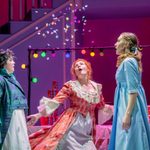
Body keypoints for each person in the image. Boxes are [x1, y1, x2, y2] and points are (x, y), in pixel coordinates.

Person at [27, 58, 113, 150]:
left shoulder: (96, 87)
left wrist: (120, 110)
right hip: (71, 123)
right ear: (75, 73)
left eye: (81, 64)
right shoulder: (71, 85)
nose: (79, 66)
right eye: (76, 66)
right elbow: (56, 101)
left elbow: (102, 106)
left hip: (87, 128)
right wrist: (38, 115)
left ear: (88, 69)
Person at [109, 32, 150, 150]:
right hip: (125, 102)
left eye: (118, 41)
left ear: (126, 44)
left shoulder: (128, 62)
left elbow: (133, 90)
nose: (115, 44)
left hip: (128, 104)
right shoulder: (129, 61)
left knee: (129, 138)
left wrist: (127, 115)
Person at [0, 49, 31, 150]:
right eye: (10, 60)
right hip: (10, 119)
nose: (13, 62)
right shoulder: (1, 79)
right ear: (3, 63)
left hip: (18, 118)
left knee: (20, 144)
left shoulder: (12, 79)